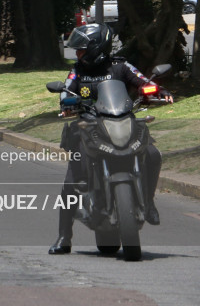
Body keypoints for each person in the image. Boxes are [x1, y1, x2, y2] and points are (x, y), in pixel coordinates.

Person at [48, 23, 172, 255]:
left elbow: (143, 81)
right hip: (89, 128)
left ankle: (149, 201)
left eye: (82, 49)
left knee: (153, 154)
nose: (78, 54)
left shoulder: (120, 66)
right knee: (71, 182)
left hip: (122, 122)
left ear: (96, 48)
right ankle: (64, 236)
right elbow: (67, 89)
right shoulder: (78, 71)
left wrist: (158, 90)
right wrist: (66, 103)